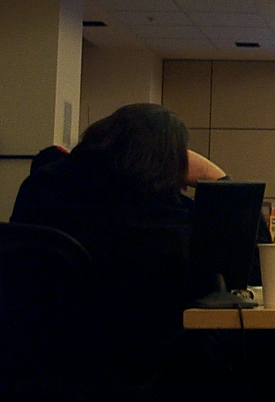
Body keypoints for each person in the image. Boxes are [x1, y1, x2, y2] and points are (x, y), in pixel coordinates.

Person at [10, 103, 254, 397]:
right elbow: (251, 258)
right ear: (170, 164)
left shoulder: (38, 190)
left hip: (34, 368)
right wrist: (217, 177)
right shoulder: (169, 224)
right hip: (141, 378)